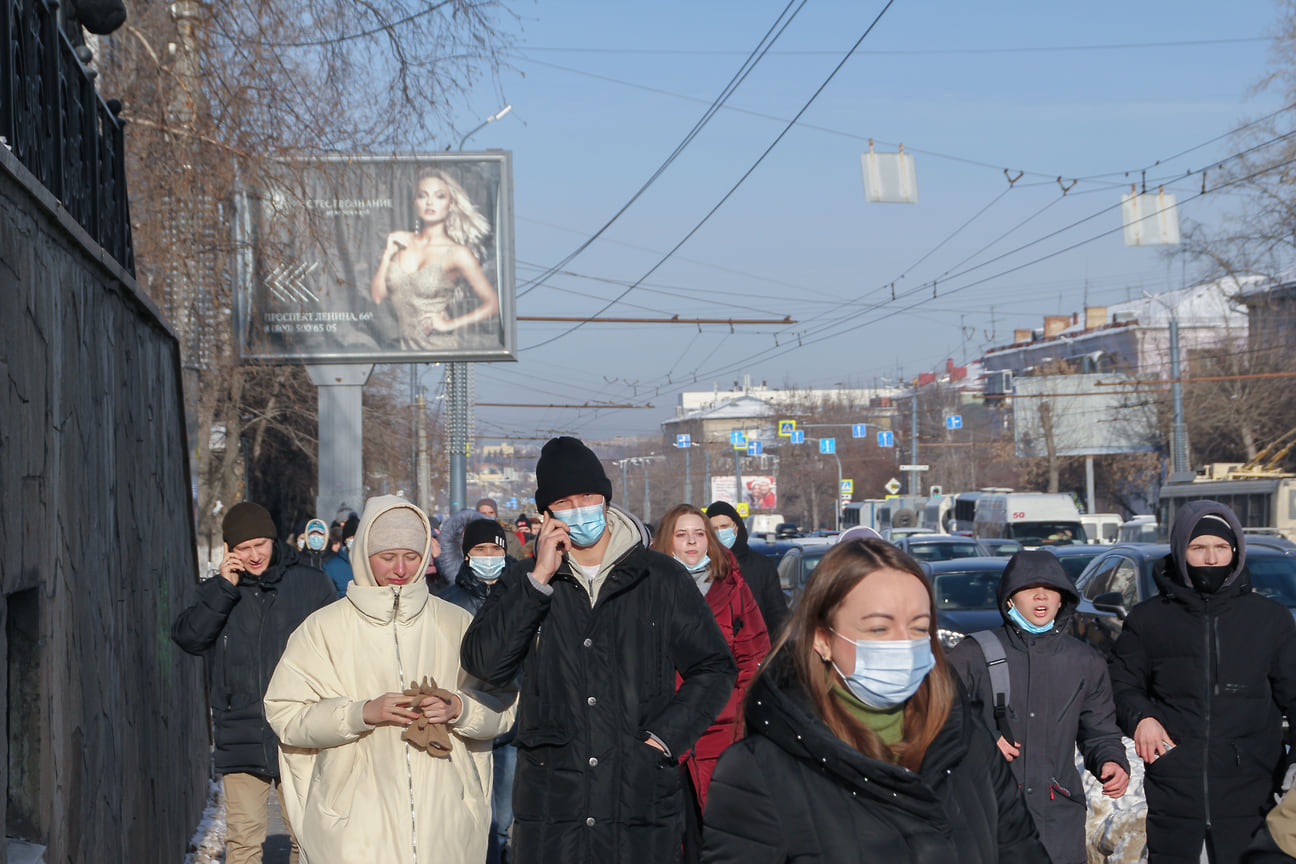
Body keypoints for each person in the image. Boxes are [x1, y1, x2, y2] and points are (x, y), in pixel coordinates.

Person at [461, 436, 737, 864]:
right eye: (565, 501)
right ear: (547, 512)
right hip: (554, 805)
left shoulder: (659, 577)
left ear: (605, 498)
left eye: (588, 496)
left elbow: (714, 667)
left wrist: (664, 741)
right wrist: (538, 581)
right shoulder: (523, 581)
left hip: (638, 799)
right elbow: (485, 664)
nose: (580, 509)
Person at [701, 537, 1049, 863]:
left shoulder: (967, 739)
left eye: (918, 627)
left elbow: (1022, 849)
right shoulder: (759, 769)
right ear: (822, 638)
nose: (903, 644)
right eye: (879, 629)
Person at [264, 495, 517, 864]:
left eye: (411, 556)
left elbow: (504, 704)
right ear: (364, 553)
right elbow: (285, 714)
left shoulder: (456, 623)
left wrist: (459, 708)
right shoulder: (322, 629)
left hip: (444, 828)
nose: (400, 568)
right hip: (353, 835)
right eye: (387, 557)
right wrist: (360, 713)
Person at [1109, 500, 1296, 864]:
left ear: (1236, 552)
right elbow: (1120, 684)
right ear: (1181, 551)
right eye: (1198, 548)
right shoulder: (1149, 620)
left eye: (1221, 547)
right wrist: (1141, 718)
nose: (1211, 558)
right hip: (1175, 789)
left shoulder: (1270, 620)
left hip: (1254, 790)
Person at [171, 502, 338, 864]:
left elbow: (339, 649)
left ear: (274, 540)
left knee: (306, 841)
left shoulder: (311, 584)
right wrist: (223, 589)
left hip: (298, 733)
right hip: (240, 734)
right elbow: (189, 638)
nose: (253, 555)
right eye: (242, 548)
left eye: (259, 544)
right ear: (230, 551)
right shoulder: (219, 592)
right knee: (243, 843)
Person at [948, 549, 1129, 864]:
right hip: (987, 814)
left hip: (1058, 819)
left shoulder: (1085, 661)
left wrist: (1111, 760)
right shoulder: (971, 655)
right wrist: (981, 738)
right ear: (1009, 600)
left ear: (1063, 599)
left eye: (1051, 589)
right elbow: (937, 715)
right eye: (1029, 589)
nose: (1041, 596)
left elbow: (1099, 729)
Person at [651, 505, 770, 863]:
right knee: (670, 831)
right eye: (682, 534)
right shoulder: (648, 586)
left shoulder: (731, 586)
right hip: (664, 728)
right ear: (667, 541)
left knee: (720, 829)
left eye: (699, 533)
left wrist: (745, 714)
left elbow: (753, 655)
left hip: (722, 726)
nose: (692, 542)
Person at [443, 519, 519, 864]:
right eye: (480, 550)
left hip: (514, 720)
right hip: (465, 719)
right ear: (467, 555)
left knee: (503, 820)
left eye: (496, 549)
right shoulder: (449, 601)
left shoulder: (523, 592)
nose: (489, 556)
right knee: (470, 818)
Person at [370, 170, 501, 351]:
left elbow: (493, 304)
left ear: (451, 204)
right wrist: (387, 254)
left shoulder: (457, 253)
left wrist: (450, 324)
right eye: (422, 196)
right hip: (401, 350)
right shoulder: (400, 242)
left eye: (439, 196)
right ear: (415, 203)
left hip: (439, 346)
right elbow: (377, 297)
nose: (430, 202)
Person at [705, 500, 788, 639]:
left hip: (757, 650)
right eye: (715, 528)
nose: (720, 532)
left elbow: (778, 617)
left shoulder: (762, 566)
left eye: (724, 526)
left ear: (736, 527)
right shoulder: (703, 566)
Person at [322, 513, 359, 597]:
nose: (355, 540)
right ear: (345, 541)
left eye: (357, 536)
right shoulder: (331, 567)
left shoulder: (371, 563)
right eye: (351, 537)